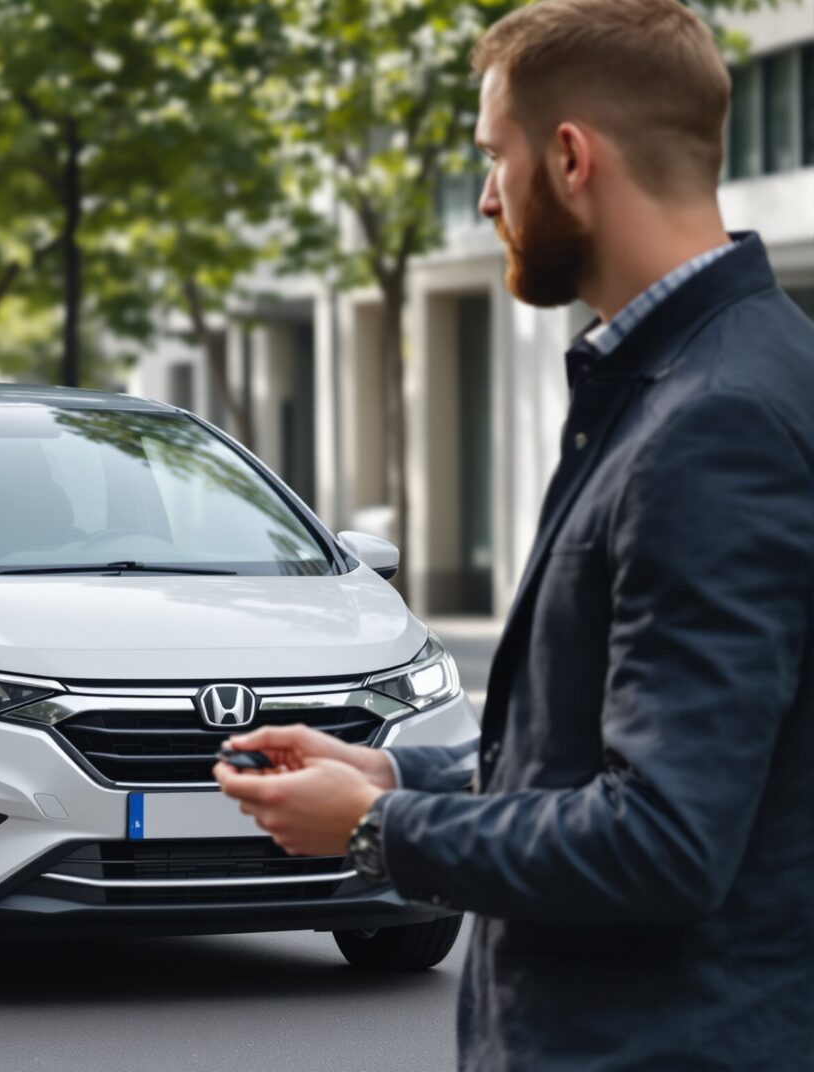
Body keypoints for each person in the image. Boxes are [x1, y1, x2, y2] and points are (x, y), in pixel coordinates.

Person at [214, 1, 814, 1067]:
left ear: (572, 156)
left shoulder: (711, 420)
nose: (487, 193)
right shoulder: (714, 377)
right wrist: (397, 777)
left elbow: (665, 840)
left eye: (497, 155)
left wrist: (375, 829)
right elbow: (610, 753)